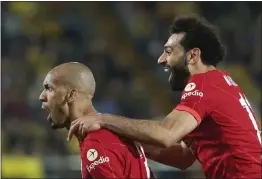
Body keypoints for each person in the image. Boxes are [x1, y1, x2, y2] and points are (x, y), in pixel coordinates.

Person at [68, 16, 262, 179]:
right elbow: (183, 157)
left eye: (169, 52)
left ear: (193, 55)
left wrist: (103, 119)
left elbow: (166, 135)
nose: (161, 59)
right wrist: (124, 138)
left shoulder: (202, 84)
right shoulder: (218, 83)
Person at [39, 62, 153, 179]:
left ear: (71, 95)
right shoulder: (110, 133)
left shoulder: (96, 142)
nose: (41, 96)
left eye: (49, 88)